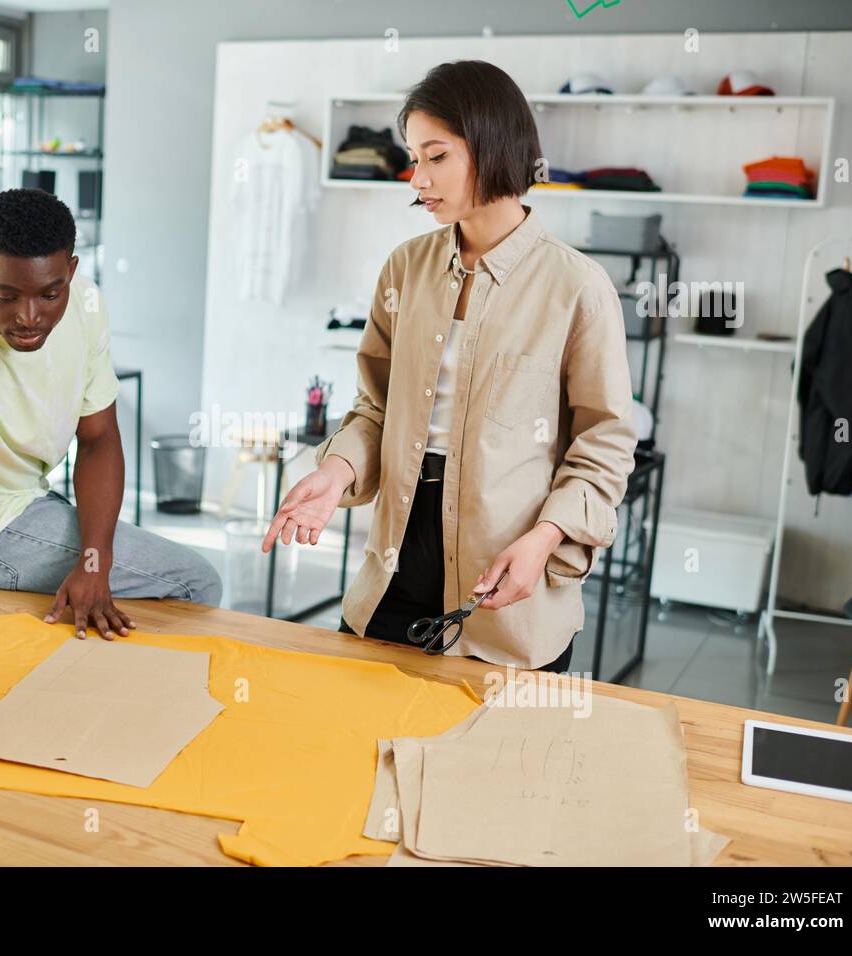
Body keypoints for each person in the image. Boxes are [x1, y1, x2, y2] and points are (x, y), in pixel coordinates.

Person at [262, 60, 636, 673]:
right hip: (393, 564)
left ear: (491, 145)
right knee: (360, 747)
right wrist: (334, 473)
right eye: (414, 158)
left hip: (509, 578)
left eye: (436, 157)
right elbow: (375, 407)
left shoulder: (578, 288)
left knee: (488, 762)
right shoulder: (405, 269)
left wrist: (545, 542)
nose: (417, 177)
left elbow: (604, 446)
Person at [0, 188, 222, 756]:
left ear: (72, 272)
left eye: (49, 293)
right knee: (196, 583)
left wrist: (96, 559)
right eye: (6, 295)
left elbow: (98, 438)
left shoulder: (85, 305)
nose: (29, 317)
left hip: (33, 502)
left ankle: (116, 725)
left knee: (145, 581)